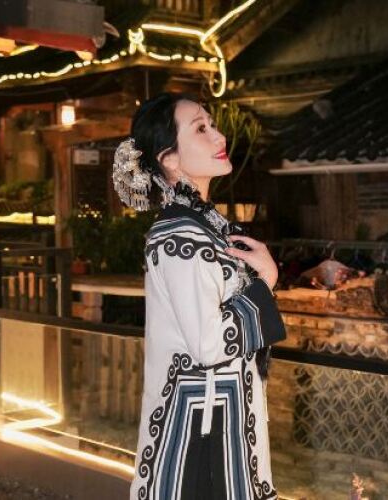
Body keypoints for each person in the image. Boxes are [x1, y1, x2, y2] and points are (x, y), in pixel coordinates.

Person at [113, 92, 286, 500]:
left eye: (213, 124)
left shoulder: (206, 226)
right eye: (201, 129)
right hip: (200, 428)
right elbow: (209, 343)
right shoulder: (179, 237)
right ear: (170, 158)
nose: (219, 136)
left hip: (219, 414)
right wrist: (266, 281)